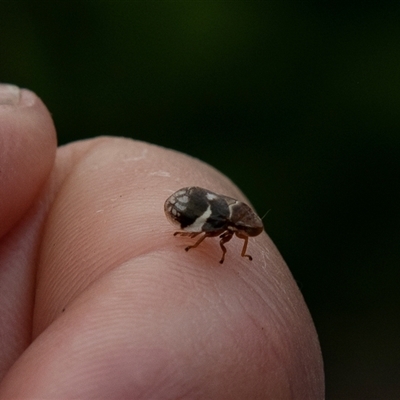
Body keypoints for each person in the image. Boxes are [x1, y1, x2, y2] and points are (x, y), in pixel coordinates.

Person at [0, 84, 324, 399]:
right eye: (247, 232)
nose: (246, 238)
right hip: (199, 212)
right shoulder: (226, 228)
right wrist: (193, 240)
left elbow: (234, 239)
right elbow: (219, 238)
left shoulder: (237, 229)